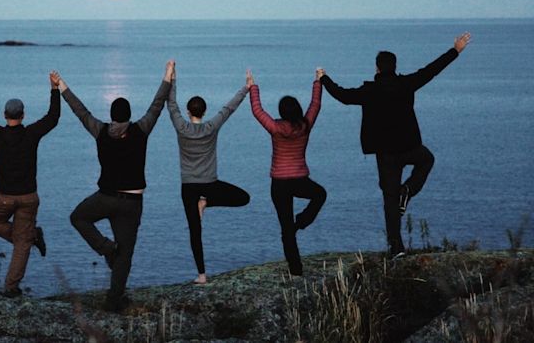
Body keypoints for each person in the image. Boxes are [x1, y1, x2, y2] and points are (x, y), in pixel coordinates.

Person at [319, 32, 471, 259]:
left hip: (386, 153)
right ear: (394, 66)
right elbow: (432, 70)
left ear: (377, 68)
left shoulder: (369, 91)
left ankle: (397, 247)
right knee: (427, 159)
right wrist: (455, 50)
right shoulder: (407, 84)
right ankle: (407, 191)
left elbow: (342, 95)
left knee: (389, 200)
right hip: (409, 146)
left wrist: (324, 79)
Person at [59, 61, 173, 312]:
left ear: (111, 115)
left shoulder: (100, 131)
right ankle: (113, 300)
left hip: (105, 197)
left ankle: (107, 248)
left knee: (78, 217)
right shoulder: (140, 130)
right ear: (129, 115)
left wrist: (62, 87)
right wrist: (167, 76)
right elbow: (157, 105)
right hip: (132, 203)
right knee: (126, 255)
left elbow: (81, 112)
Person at [0, 69, 60, 298]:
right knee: (22, 241)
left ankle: (12, 285)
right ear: (23, 115)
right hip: (29, 197)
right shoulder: (31, 134)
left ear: (4, 114)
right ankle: (26, 242)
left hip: (5, 197)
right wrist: (54, 89)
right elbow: (53, 118)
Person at [166, 63, 250, 285]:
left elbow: (170, 104)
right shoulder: (211, 127)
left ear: (188, 112)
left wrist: (172, 78)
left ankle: (202, 275)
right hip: (210, 183)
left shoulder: (181, 128)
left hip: (189, 186)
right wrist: (246, 88)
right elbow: (228, 108)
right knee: (244, 198)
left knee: (195, 231)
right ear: (203, 112)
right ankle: (207, 202)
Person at [249, 68, 325, 276]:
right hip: (300, 179)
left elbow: (258, 111)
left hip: (280, 184)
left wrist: (252, 87)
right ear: (297, 111)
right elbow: (315, 105)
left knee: (286, 228)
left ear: (282, 112)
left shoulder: (276, 127)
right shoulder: (305, 125)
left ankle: (296, 269)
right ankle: (302, 221)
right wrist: (318, 81)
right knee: (320, 194)